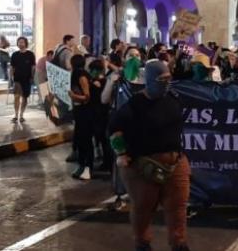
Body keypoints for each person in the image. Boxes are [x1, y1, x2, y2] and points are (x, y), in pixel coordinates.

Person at [109, 61, 191, 251]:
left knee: (178, 208)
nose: (166, 83)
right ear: (150, 80)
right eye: (162, 79)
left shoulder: (173, 98)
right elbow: (115, 129)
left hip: (175, 162)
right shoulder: (135, 105)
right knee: (143, 209)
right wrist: (121, 153)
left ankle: (179, 243)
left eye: (168, 78)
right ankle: (142, 243)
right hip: (143, 166)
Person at [68, 54, 93, 180]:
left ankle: (87, 168)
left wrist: (74, 97)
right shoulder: (75, 74)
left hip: (85, 112)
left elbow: (87, 96)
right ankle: (81, 165)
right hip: (79, 112)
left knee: (85, 140)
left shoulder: (81, 75)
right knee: (80, 140)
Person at [9, 37, 36, 123]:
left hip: (27, 79)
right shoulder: (14, 55)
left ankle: (21, 115)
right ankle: (16, 115)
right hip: (17, 79)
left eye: (22, 42)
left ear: (25, 43)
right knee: (16, 97)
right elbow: (12, 67)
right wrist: (11, 78)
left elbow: (33, 67)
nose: (20, 44)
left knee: (25, 97)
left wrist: (32, 77)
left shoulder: (30, 54)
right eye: (19, 42)